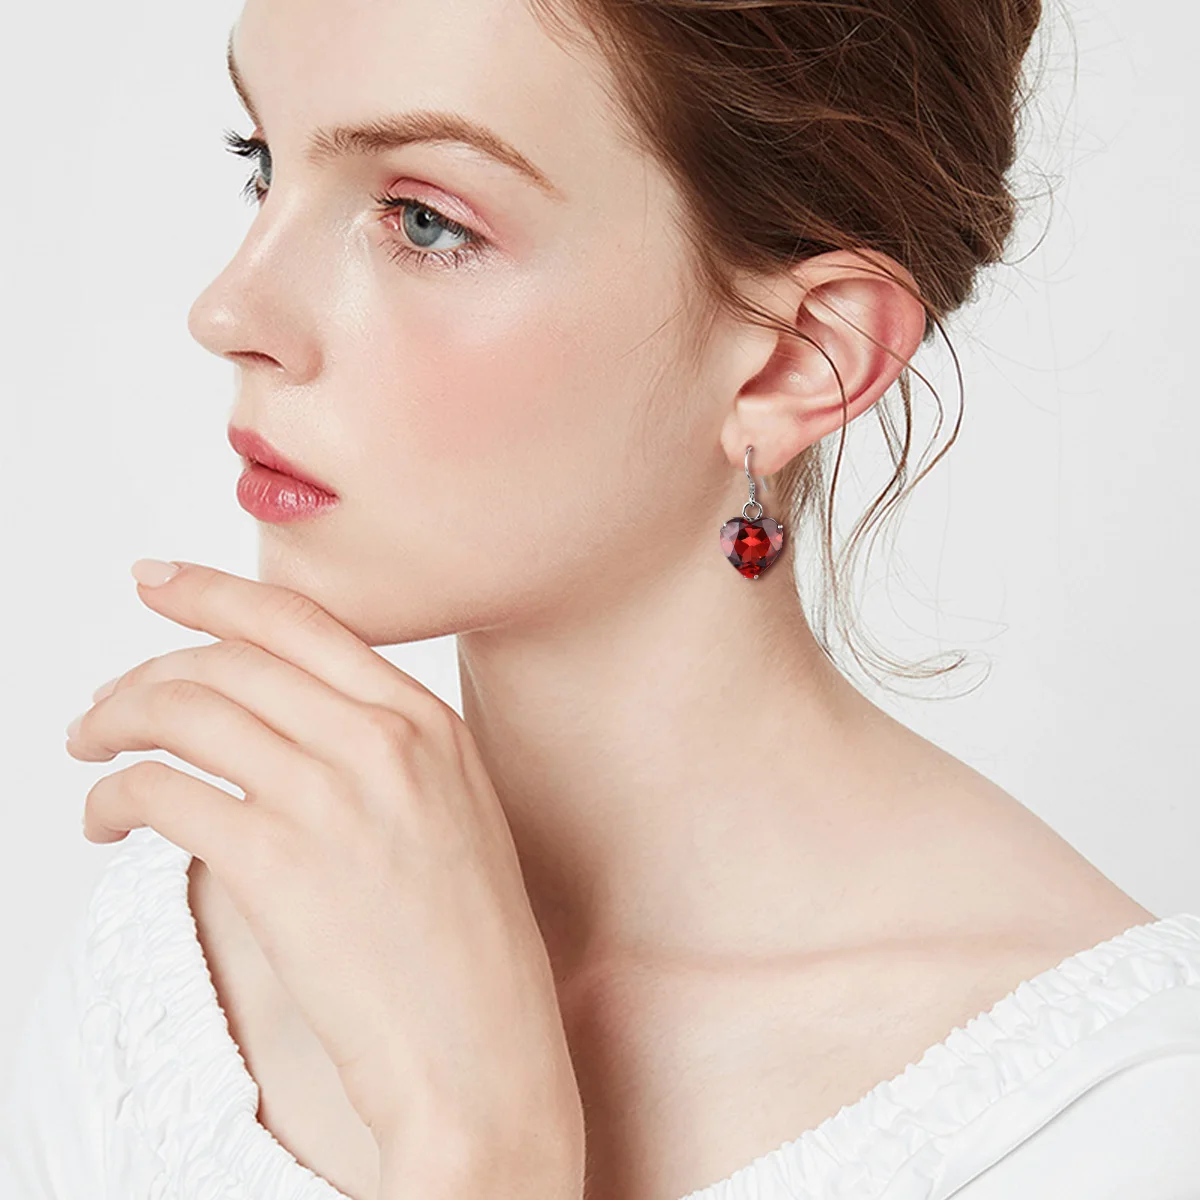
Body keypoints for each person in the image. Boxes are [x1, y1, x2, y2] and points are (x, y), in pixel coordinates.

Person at [4, 0, 1200, 1197]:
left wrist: (483, 1147)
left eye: (424, 220)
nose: (228, 312)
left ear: (802, 356)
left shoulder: (1114, 1111)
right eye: (261, 163)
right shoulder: (180, 983)